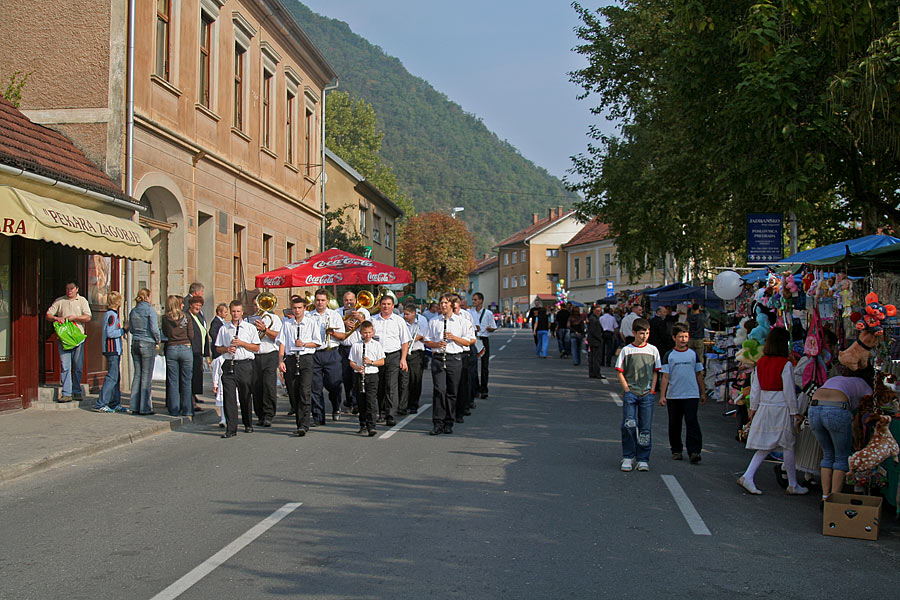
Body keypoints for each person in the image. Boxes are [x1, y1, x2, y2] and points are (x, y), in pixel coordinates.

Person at [737, 327, 808, 495]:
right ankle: (792, 483)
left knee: (768, 445)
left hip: (764, 406)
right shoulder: (786, 364)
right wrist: (795, 411)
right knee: (787, 444)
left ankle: (750, 476)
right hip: (781, 407)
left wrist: (753, 408)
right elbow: (789, 391)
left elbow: (755, 388)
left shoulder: (761, 362)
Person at [808, 370, 873, 504]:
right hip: (837, 409)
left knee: (827, 455)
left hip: (814, 408)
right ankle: (834, 499)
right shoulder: (865, 385)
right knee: (841, 457)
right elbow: (869, 408)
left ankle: (825, 496)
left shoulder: (837, 379)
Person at [425, 294, 475, 435]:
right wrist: (436, 344)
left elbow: (469, 341)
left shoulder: (462, 322)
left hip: (455, 358)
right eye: (441, 303)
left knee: (452, 392)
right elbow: (427, 341)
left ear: (452, 304)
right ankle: (438, 422)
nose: (443, 305)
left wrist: (454, 338)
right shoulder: (434, 321)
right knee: (439, 390)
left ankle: (449, 421)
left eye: (446, 303)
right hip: (439, 358)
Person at [616, 317, 660, 472]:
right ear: (634, 333)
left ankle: (643, 458)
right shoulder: (627, 350)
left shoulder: (653, 350)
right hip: (631, 392)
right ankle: (628, 456)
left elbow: (656, 372)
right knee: (628, 424)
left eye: (647, 333)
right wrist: (627, 389)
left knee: (645, 428)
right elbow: (620, 371)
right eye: (641, 333)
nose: (644, 336)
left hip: (647, 393)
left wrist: (653, 390)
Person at [659, 323, 706, 463]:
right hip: (674, 395)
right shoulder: (669, 355)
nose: (683, 339)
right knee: (675, 423)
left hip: (691, 394)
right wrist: (662, 395)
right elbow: (665, 377)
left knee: (692, 421)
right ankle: (676, 450)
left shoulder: (693, 355)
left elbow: (699, 374)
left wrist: (702, 392)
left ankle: (694, 451)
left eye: (685, 336)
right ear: (674, 337)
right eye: (680, 337)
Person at [215, 300, 260, 438]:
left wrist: (242, 343)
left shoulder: (249, 328)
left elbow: (256, 347)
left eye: (238, 311)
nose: (235, 314)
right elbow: (218, 348)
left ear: (242, 312)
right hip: (229, 364)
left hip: (245, 364)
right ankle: (231, 428)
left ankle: (247, 423)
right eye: (233, 311)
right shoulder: (224, 328)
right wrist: (227, 349)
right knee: (229, 398)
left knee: (245, 395)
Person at [278, 296, 320, 437]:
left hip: (305, 358)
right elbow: (282, 343)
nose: (297, 310)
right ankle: (299, 421)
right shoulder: (287, 324)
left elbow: (317, 342)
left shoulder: (311, 322)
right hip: (290, 358)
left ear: (304, 308)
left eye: (299, 308)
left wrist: (304, 344)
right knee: (294, 392)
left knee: (304, 391)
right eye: (294, 308)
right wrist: (280, 360)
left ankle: (303, 424)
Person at [46, 282, 92, 403]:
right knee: (65, 366)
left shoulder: (82, 301)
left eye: (71, 288)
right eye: (67, 288)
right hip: (64, 339)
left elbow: (88, 317)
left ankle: (76, 391)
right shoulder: (60, 301)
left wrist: (75, 318)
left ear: (77, 289)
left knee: (77, 366)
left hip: (78, 338)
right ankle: (66, 393)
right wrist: (57, 318)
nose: (69, 291)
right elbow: (48, 314)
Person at [371, 294, 411, 426]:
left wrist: (403, 359)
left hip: (393, 355)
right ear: (380, 305)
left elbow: (405, 341)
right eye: (383, 304)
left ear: (392, 306)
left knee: (391, 385)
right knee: (380, 385)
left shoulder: (399, 321)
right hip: (377, 357)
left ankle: (390, 414)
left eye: (388, 304)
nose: (386, 307)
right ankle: (381, 412)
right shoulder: (373, 320)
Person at [308, 289, 346, 425]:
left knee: (334, 384)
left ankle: (336, 407)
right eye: (318, 300)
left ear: (327, 302)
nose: (320, 303)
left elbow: (343, 336)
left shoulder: (334, 315)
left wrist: (333, 333)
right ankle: (318, 418)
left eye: (323, 300)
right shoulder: (309, 316)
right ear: (314, 301)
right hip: (315, 353)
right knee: (315, 387)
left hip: (332, 353)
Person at [251, 294, 282, 428]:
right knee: (256, 386)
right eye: (255, 305)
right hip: (255, 355)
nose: (257, 307)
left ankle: (269, 414)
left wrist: (265, 330)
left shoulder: (273, 318)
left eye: (259, 304)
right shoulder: (249, 319)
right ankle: (260, 414)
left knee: (268, 385)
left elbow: (279, 336)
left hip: (270, 354)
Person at [350, 321, 385, 436]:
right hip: (359, 375)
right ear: (360, 333)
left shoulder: (376, 345)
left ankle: (372, 426)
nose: (367, 335)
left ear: (373, 332)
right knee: (361, 401)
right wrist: (357, 367)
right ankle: (363, 424)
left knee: (371, 401)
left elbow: (382, 361)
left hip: (372, 375)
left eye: (369, 332)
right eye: (365, 333)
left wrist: (371, 362)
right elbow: (351, 361)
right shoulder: (356, 345)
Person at [94, 291, 128, 413]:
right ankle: (101, 403)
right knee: (112, 377)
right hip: (112, 349)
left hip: (114, 349)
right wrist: (123, 330)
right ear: (118, 302)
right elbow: (110, 332)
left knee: (116, 377)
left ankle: (115, 402)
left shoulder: (111, 314)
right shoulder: (111, 316)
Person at [161, 295, 194, 417]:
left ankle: (174, 409)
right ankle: (187, 410)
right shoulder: (186, 317)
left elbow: (165, 332)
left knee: (173, 381)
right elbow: (191, 335)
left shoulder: (165, 318)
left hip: (172, 348)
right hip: (185, 347)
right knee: (186, 380)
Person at [338, 291, 371, 415]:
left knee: (357, 375)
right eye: (346, 300)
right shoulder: (337, 312)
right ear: (343, 301)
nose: (349, 302)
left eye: (351, 300)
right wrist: (344, 323)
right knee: (346, 377)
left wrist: (360, 319)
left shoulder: (364, 311)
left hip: (358, 347)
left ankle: (358, 402)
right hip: (344, 348)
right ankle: (350, 400)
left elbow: (370, 329)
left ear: (355, 300)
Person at [128, 288, 159, 415]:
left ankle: (134, 406)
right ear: (148, 297)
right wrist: (157, 340)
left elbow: (130, 328)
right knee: (146, 376)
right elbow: (154, 328)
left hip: (135, 342)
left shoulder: (133, 311)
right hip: (147, 342)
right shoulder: (150, 310)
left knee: (137, 375)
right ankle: (145, 407)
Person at [399, 303, 427, 414]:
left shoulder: (422, 320)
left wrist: (410, 339)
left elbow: (422, 335)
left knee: (415, 380)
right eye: (404, 313)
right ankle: (403, 406)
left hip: (417, 353)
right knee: (403, 380)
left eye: (407, 314)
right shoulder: (401, 320)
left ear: (414, 313)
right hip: (404, 352)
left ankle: (414, 404)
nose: (405, 316)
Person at [469, 292, 495, 398]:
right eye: (473, 300)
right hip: (474, 339)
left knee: (484, 366)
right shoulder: (469, 312)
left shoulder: (488, 313)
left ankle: (484, 389)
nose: (473, 302)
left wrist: (490, 328)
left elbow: (493, 327)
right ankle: (475, 388)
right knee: (472, 366)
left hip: (483, 339)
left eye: (475, 300)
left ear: (481, 300)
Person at [186, 295, 209, 413]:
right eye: (196, 305)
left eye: (200, 305)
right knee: (191, 377)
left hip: (199, 351)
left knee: (197, 376)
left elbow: (204, 332)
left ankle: (193, 397)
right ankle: (191, 401)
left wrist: (206, 354)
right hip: (192, 351)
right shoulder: (187, 316)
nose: (198, 307)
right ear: (190, 305)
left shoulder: (199, 316)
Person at [586, 304, 607, 379]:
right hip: (595, 341)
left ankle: (593, 373)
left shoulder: (593, 318)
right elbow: (594, 331)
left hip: (593, 340)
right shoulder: (594, 319)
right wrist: (600, 338)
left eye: (600, 311)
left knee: (593, 357)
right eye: (597, 311)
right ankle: (596, 373)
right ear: (594, 311)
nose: (599, 312)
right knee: (596, 358)